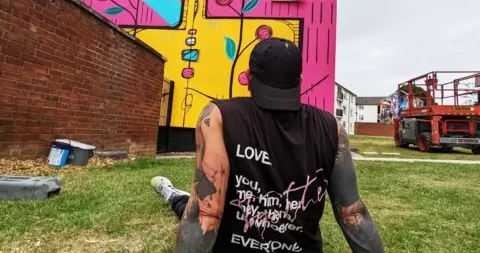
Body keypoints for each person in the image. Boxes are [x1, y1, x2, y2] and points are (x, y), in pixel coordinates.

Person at [151, 37, 384, 253]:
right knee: (184, 206)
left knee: (188, 208)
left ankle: (173, 194)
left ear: (249, 78)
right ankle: (172, 194)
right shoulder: (333, 128)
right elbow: (353, 214)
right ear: (299, 82)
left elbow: (206, 215)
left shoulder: (216, 117)